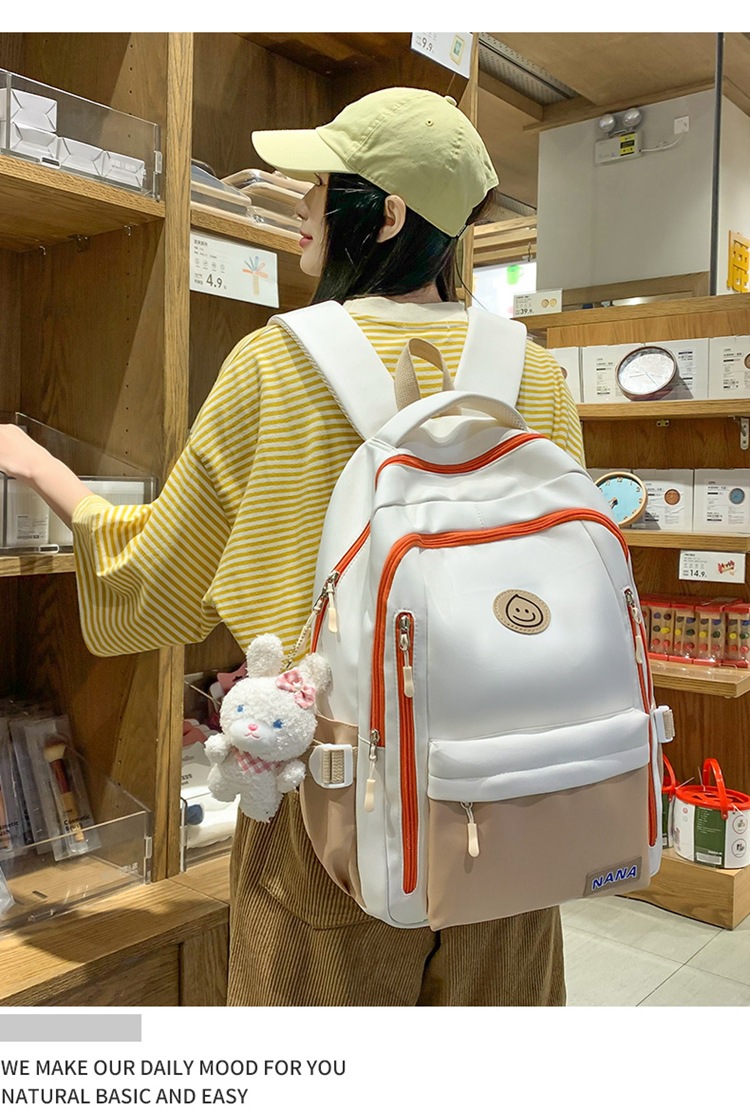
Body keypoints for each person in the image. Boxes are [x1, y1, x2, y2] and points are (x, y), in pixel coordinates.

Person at [0, 86, 584, 1006]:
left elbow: (157, 584)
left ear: (386, 216)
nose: (302, 202)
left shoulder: (278, 361)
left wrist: (42, 468)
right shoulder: (535, 373)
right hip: (511, 806)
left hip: (330, 812)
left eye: (322, 184)